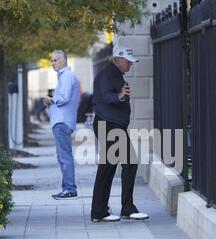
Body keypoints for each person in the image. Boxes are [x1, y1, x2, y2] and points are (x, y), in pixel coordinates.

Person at [90, 46, 149, 222]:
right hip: (109, 124)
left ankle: (100, 210)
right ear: (119, 60)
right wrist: (121, 95)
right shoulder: (108, 75)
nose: (130, 65)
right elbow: (107, 96)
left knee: (110, 166)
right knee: (127, 163)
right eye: (128, 61)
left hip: (111, 124)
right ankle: (124, 208)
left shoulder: (113, 74)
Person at [42, 50, 79, 200]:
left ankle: (69, 189)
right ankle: (68, 188)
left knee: (64, 156)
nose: (52, 63)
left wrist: (50, 99)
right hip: (61, 121)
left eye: (55, 60)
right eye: (51, 60)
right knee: (62, 156)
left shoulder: (67, 76)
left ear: (64, 60)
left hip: (62, 122)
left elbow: (63, 98)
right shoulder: (64, 77)